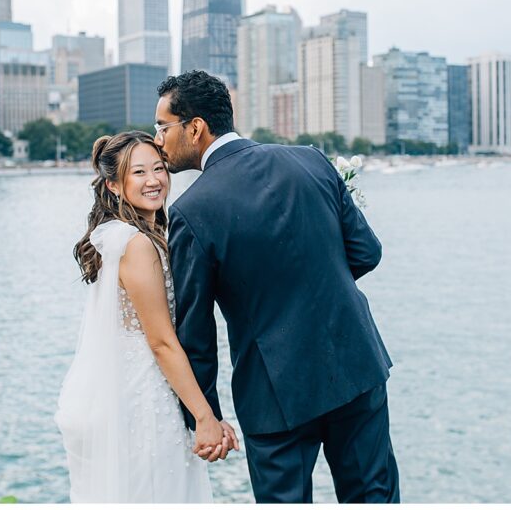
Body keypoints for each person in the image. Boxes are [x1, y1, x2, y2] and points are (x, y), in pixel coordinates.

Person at [154, 71, 401, 503]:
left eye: (163, 126)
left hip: (273, 391)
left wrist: (204, 415)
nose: (157, 138)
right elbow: (366, 252)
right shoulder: (311, 160)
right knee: (374, 497)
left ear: (195, 128)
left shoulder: (191, 211)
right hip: (354, 363)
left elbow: (196, 331)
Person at [55, 130, 240, 503]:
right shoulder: (136, 244)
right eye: (139, 173)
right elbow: (161, 341)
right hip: (145, 396)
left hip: (136, 387)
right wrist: (205, 417)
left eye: (159, 168)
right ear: (114, 185)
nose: (154, 180)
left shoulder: (133, 234)